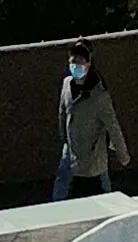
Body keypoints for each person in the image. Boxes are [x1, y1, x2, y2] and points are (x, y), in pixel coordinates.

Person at [53, 42, 128, 199]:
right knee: (63, 185)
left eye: (79, 62)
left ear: (88, 64)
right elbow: (62, 111)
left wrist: (123, 155)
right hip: (72, 150)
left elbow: (112, 126)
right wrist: (64, 137)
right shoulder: (67, 84)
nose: (75, 66)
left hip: (92, 157)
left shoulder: (99, 95)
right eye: (72, 62)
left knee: (100, 190)